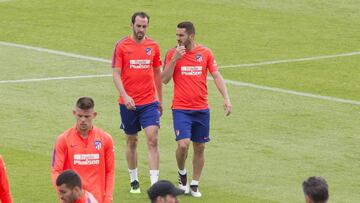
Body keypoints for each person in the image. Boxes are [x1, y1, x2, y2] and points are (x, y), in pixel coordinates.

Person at [162, 21, 232, 197]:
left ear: (191, 36)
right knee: (183, 145)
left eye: (181, 35)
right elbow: (164, 79)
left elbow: (216, 75)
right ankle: (182, 174)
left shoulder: (205, 53)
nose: (177, 39)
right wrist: (174, 60)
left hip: (201, 108)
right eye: (176, 35)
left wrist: (226, 98)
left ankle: (194, 184)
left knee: (199, 146)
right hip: (181, 108)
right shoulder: (172, 53)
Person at [112, 11, 162, 193]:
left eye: (144, 26)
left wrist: (160, 99)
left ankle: (155, 184)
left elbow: (157, 73)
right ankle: (134, 180)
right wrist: (125, 96)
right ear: (131, 25)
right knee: (132, 140)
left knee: (153, 139)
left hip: (149, 102)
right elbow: (116, 74)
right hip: (128, 103)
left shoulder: (153, 46)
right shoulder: (121, 46)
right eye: (138, 26)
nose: (141, 29)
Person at [51, 97, 115, 203]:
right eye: (80, 116)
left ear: (94, 115)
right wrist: (63, 194)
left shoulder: (106, 139)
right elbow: (56, 171)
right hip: (72, 199)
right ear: (74, 113)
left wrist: (108, 199)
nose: (83, 120)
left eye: (87, 116)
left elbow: (110, 172)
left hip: (97, 199)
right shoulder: (63, 139)